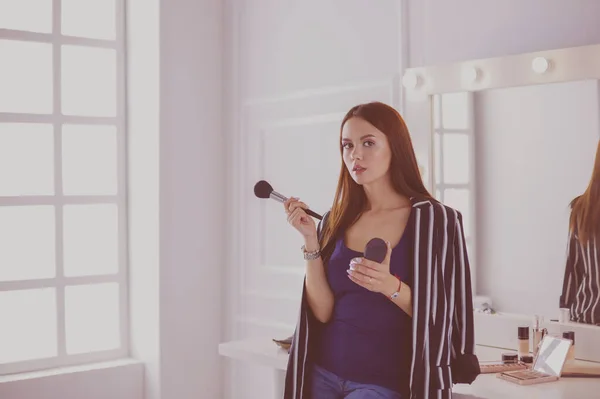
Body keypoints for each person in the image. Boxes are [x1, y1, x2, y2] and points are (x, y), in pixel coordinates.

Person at [282, 101, 479, 399]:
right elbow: (321, 313)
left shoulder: (435, 220)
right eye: (347, 145)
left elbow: (444, 316)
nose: (355, 154)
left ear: (395, 147)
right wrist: (311, 240)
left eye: (368, 143)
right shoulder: (336, 219)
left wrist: (390, 286)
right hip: (322, 374)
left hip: (383, 384)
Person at [560, 140, 600, 325]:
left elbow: (572, 270)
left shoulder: (581, 208)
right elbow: (573, 270)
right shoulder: (581, 208)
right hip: (586, 322)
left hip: (584, 318)